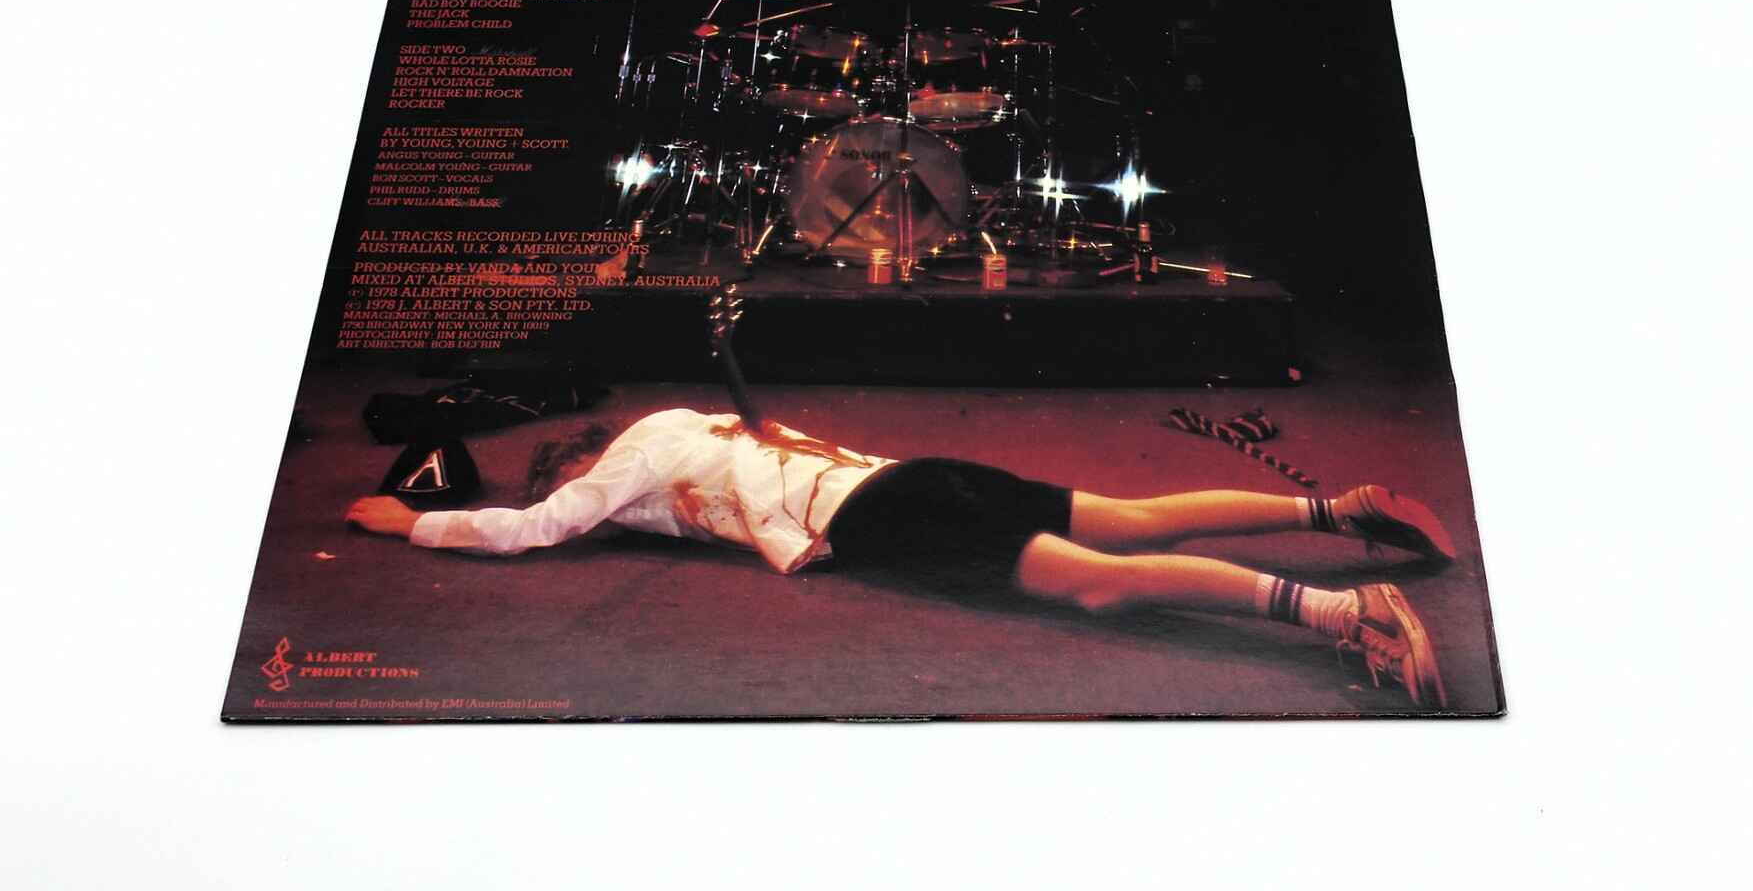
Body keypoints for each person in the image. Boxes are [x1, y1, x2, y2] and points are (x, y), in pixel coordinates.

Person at [347, 407, 1458, 708]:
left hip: (883, 516)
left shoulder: (628, 457)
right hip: (920, 472)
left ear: (588, 458)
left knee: (1100, 583)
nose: (604, 509)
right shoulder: (692, 423)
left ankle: (1342, 612)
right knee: (1131, 517)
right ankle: (1336, 506)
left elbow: (542, 524)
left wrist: (414, 523)